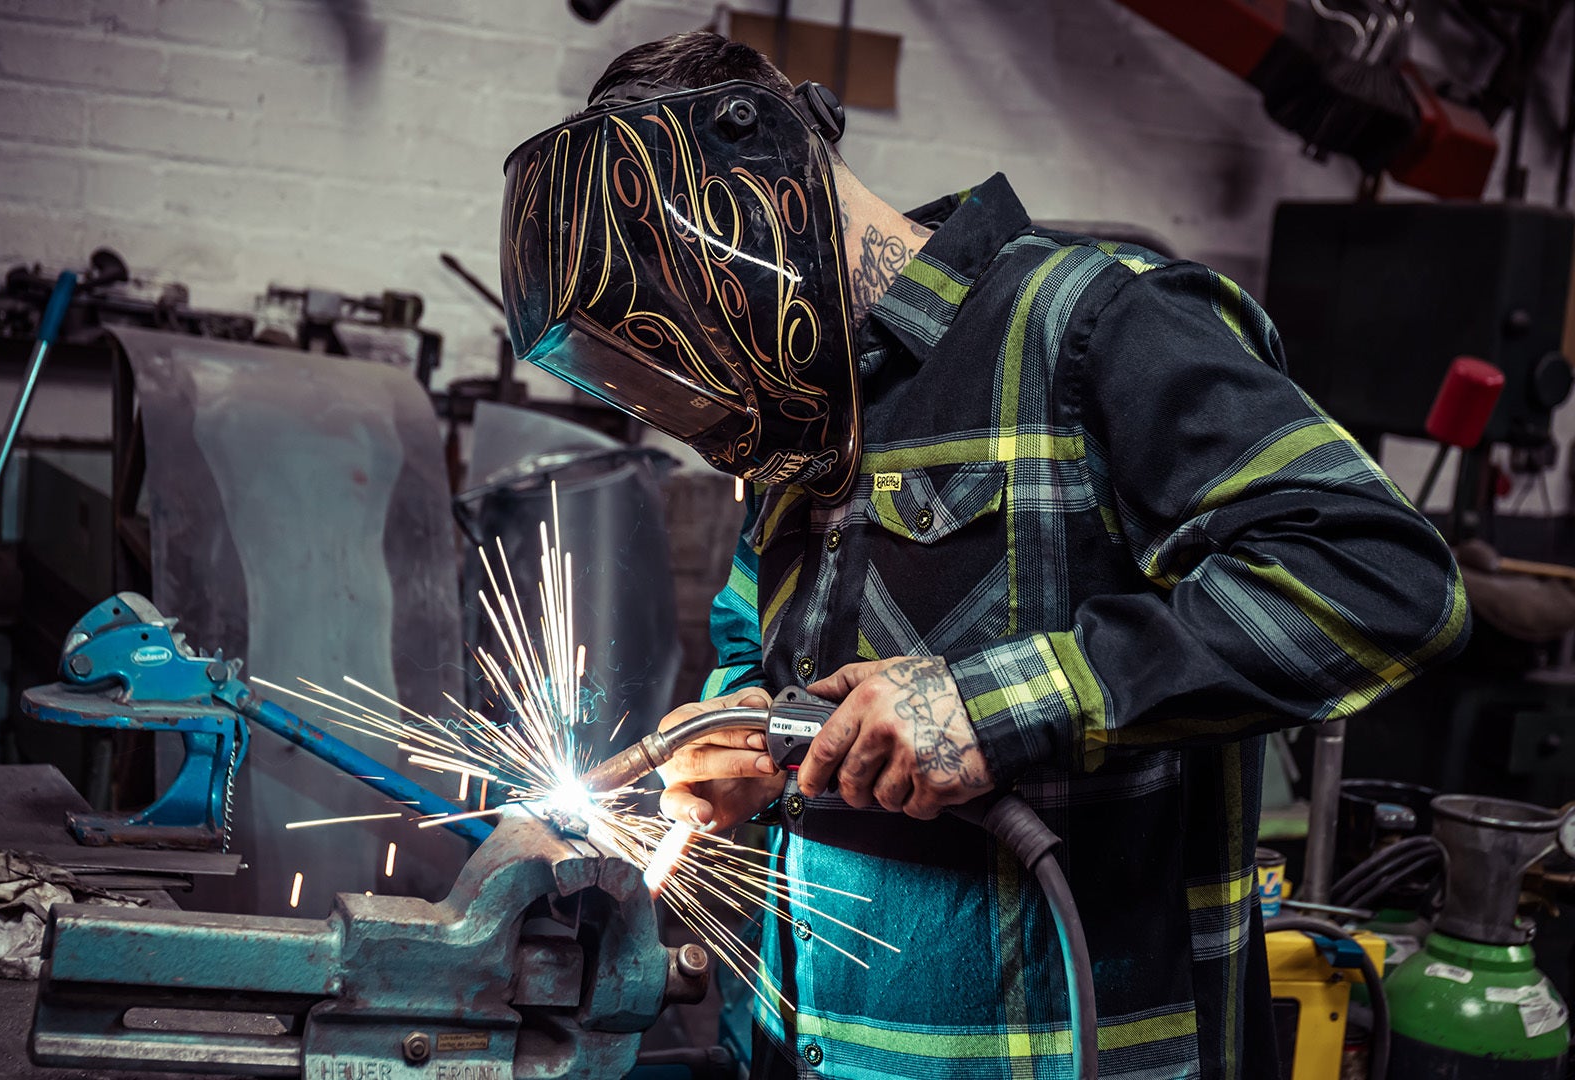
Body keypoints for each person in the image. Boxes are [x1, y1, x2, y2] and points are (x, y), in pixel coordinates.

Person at [498, 31, 1466, 1080]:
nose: (690, 394)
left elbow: (1386, 579)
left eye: (672, 329)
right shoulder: (800, 416)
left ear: (764, 203)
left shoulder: (1093, 323)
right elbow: (757, 653)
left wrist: (1001, 703)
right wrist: (737, 739)